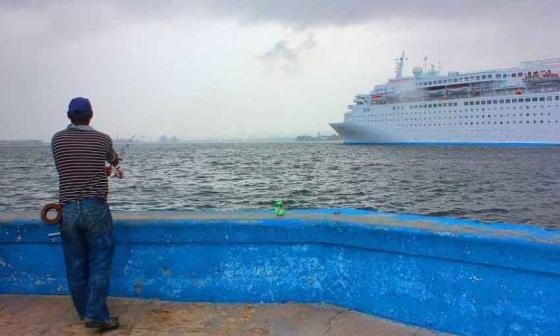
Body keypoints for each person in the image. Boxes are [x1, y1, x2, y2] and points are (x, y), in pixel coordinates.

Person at [51, 97, 121, 331]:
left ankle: (86, 313)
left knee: (75, 263)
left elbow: (71, 166)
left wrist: (97, 169)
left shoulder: (57, 140)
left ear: (69, 116)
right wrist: (109, 167)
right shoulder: (102, 139)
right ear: (91, 115)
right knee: (100, 260)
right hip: (95, 208)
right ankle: (96, 315)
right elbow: (112, 159)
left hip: (68, 209)